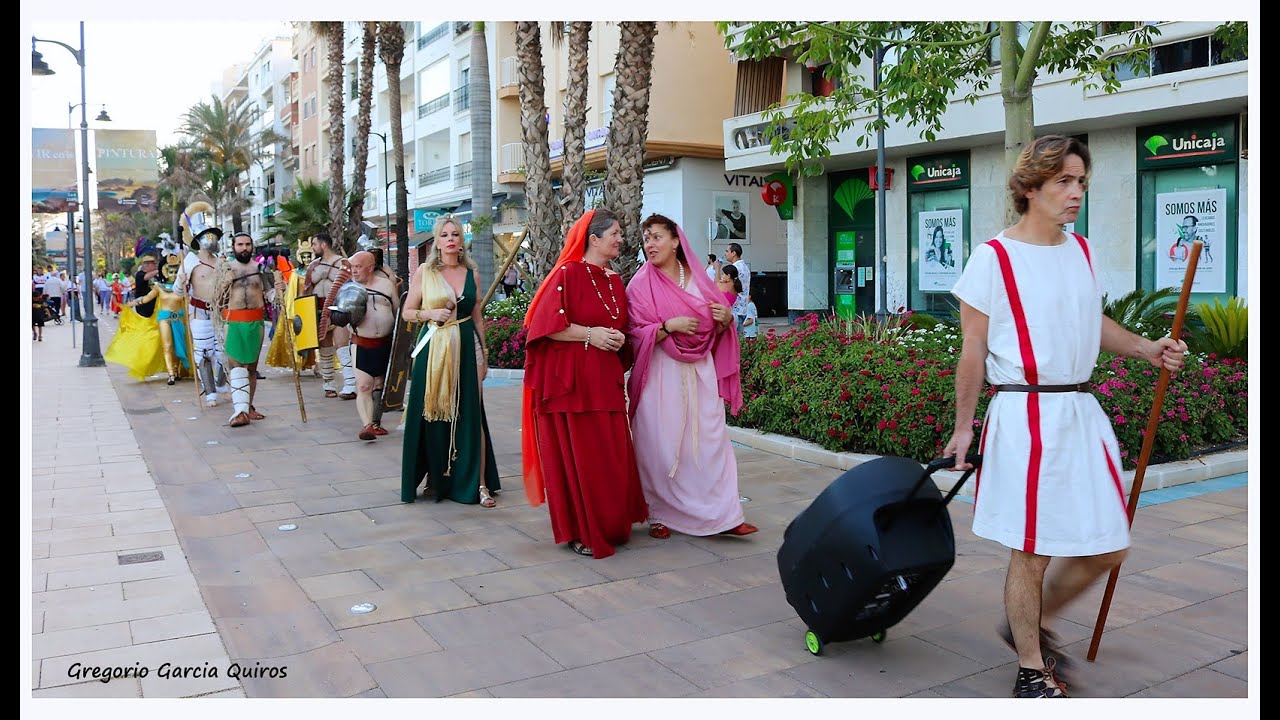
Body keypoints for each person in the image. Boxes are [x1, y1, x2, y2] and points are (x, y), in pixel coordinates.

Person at [943, 135, 1187, 699]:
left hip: (1080, 412)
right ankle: (1031, 669)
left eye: (1081, 182)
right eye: (1064, 181)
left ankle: (1026, 623)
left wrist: (1146, 348)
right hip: (1025, 413)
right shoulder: (994, 258)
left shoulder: (1081, 251)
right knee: (1032, 550)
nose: (1076, 193)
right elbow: (972, 349)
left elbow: (1091, 321)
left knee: (1108, 544)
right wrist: (963, 426)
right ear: (1030, 188)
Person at [521, 208, 649, 558]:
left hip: (605, 380)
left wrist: (620, 339)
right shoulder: (567, 273)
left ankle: (610, 523)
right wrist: (591, 334)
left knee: (610, 454)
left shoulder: (615, 280)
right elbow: (543, 328)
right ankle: (583, 529)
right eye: (615, 233)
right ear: (594, 239)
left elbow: (621, 327)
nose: (621, 239)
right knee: (583, 456)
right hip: (573, 385)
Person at [625, 213, 756, 540]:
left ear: (675, 240)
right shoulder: (640, 285)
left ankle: (726, 515)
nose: (650, 244)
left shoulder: (699, 279)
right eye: (646, 239)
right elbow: (633, 334)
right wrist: (668, 327)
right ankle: (658, 512)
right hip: (660, 373)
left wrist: (726, 319)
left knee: (711, 440)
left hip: (699, 371)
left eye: (656, 237)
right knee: (661, 441)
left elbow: (716, 327)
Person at [400, 216, 501, 507]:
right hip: (432, 350)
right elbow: (407, 312)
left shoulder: (473, 273)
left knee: (472, 414)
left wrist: (485, 356)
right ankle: (436, 477)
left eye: (455, 234)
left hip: (468, 346)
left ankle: (479, 484)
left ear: (462, 240)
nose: (450, 239)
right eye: (444, 235)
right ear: (437, 241)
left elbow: (478, 316)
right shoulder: (425, 272)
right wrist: (429, 314)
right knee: (431, 413)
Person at [212, 232, 274, 427]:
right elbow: (215, 299)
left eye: (247, 244)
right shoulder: (226, 269)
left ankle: (249, 407)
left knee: (252, 368)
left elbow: (269, 292)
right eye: (240, 244)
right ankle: (240, 411)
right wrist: (226, 282)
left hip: (255, 322)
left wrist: (278, 293)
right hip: (234, 322)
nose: (244, 248)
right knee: (237, 367)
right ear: (233, 246)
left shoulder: (261, 268)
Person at [345, 250, 400, 440]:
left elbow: (398, 312)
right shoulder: (348, 288)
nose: (354, 271)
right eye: (352, 267)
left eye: (358, 267)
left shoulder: (386, 285)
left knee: (379, 385)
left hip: (384, 344)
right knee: (364, 386)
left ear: (370, 267)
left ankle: (376, 423)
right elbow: (337, 314)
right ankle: (367, 425)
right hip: (361, 344)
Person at [179, 223, 231, 407]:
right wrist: (183, 282)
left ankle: (221, 385)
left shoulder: (223, 263)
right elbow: (179, 291)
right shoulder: (190, 262)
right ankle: (210, 393)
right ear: (198, 240)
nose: (211, 239)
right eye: (206, 235)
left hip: (221, 312)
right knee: (204, 353)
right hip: (199, 313)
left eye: (213, 235)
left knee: (225, 351)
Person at [128, 238, 192, 385]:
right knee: (167, 345)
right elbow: (146, 298)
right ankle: (170, 374)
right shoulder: (158, 286)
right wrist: (131, 303)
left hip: (179, 319)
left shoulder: (183, 287)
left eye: (176, 270)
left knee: (178, 346)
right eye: (170, 270)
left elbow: (191, 301)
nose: (173, 273)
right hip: (164, 318)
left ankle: (176, 371)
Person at [302, 232, 356, 399]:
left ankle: (350, 384)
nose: (313, 247)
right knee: (325, 347)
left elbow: (352, 287)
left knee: (341, 345)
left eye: (314, 244)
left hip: (339, 308)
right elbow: (307, 289)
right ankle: (328, 384)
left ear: (323, 245)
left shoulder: (343, 263)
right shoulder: (313, 266)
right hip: (318, 309)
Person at [724, 242, 751, 325]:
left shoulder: (734, 268)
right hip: (743, 308)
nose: (725, 254)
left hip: (734, 309)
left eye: (727, 251)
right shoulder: (745, 267)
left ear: (733, 253)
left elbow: (726, 287)